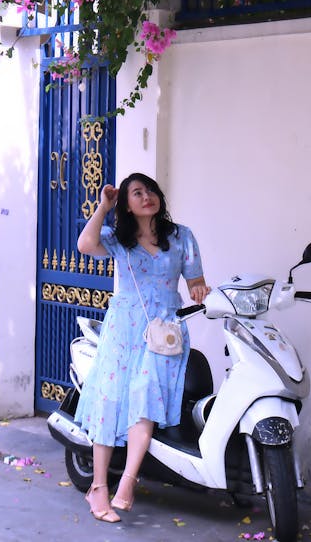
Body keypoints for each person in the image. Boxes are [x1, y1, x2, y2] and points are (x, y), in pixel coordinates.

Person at [74, 172, 210, 523]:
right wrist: (104, 206)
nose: (146, 196)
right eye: (137, 193)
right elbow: (85, 245)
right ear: (127, 205)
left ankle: (128, 484)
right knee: (110, 399)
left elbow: (195, 280)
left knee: (145, 400)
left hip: (163, 331)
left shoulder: (181, 236)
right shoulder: (119, 239)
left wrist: (198, 290)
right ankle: (99, 487)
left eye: (150, 190)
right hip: (123, 328)